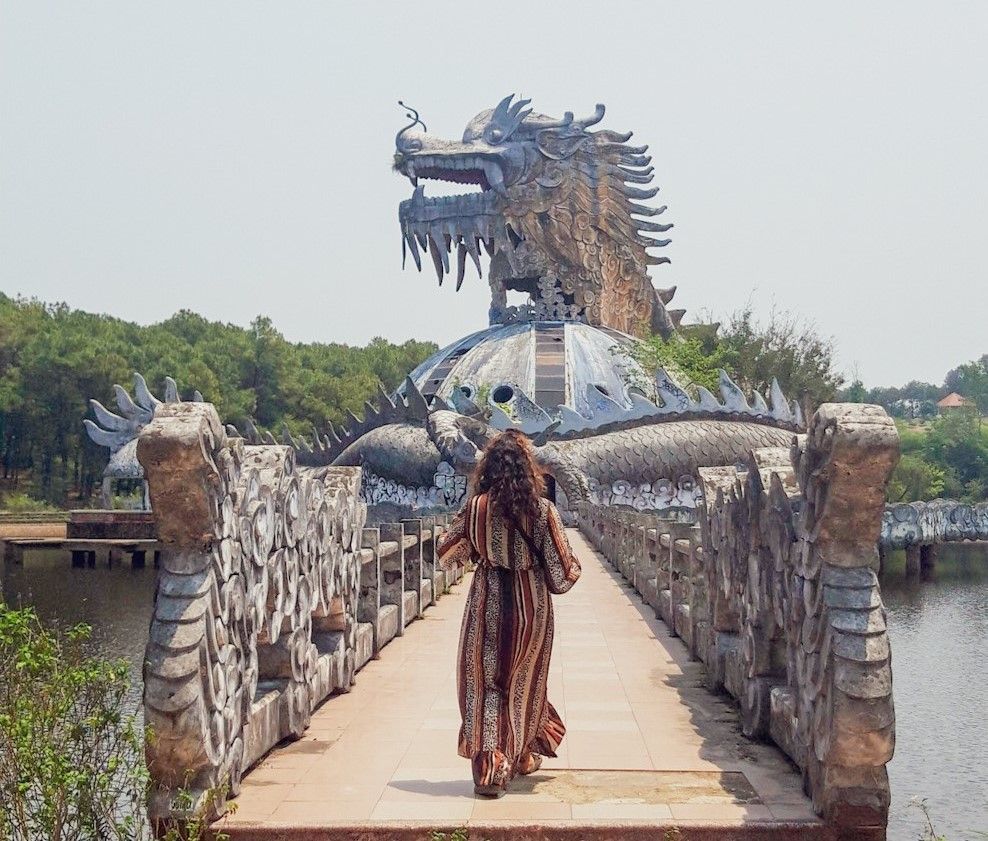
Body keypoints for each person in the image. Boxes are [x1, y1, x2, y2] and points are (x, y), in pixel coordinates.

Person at [437, 429, 581, 798]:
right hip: (531, 608)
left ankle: (490, 767)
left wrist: (480, 547)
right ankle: (518, 756)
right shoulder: (543, 511)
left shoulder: (476, 509)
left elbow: (447, 554)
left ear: (487, 468)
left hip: (486, 604)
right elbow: (563, 575)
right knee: (523, 683)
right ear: (527, 469)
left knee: (484, 684)